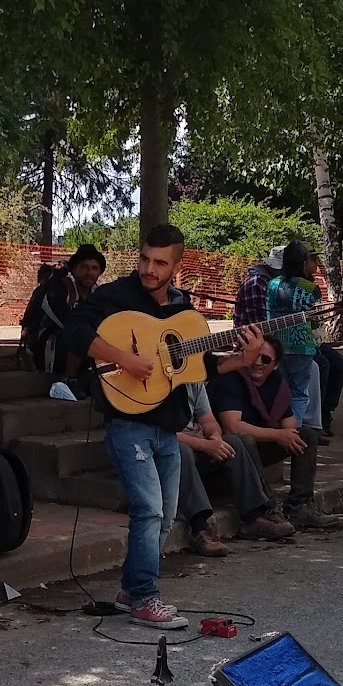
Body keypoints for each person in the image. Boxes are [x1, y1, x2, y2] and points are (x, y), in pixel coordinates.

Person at [65, 225, 198, 625]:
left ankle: (129, 590)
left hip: (167, 427)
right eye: (144, 259)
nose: (149, 269)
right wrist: (123, 358)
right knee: (149, 511)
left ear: (176, 266)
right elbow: (74, 331)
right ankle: (143, 597)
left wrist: (242, 360)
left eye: (159, 263)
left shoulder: (182, 306)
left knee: (166, 515)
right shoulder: (115, 295)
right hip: (128, 424)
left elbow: (197, 365)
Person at [208, 334, 323, 527]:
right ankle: (267, 508)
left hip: (258, 448)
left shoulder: (276, 381)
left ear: (275, 365)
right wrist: (278, 435)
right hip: (227, 455)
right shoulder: (232, 378)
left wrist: (287, 435)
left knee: (306, 436)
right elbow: (232, 426)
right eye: (254, 356)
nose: (258, 363)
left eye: (266, 359)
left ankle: (299, 506)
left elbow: (289, 422)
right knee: (245, 439)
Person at [176, 380, 297, 552]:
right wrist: (204, 445)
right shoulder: (156, 385)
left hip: (197, 438)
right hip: (171, 445)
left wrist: (216, 438)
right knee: (182, 451)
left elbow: (208, 420)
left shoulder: (193, 381)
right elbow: (164, 433)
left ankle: (253, 517)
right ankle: (200, 528)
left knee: (233, 443)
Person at [265, 240, 326, 435]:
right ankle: (294, 432)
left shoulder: (272, 284)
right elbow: (315, 319)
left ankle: (277, 430)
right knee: (299, 393)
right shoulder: (310, 288)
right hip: (302, 345)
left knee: (278, 390)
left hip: (275, 343)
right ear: (303, 263)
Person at [45, 243, 107, 400]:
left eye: (94, 268)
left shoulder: (99, 294)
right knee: (80, 333)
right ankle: (69, 379)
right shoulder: (59, 288)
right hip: (51, 346)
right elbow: (65, 321)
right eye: (84, 267)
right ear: (74, 269)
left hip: (86, 348)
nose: (89, 273)